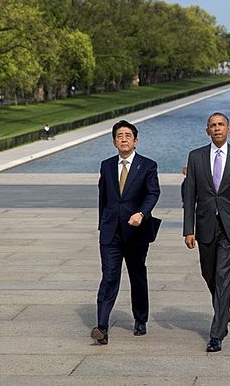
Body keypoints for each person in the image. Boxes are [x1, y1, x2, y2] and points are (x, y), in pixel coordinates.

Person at [182, 112, 230, 352]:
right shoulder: (195, 157)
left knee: (224, 277)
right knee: (209, 273)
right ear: (207, 131)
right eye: (212, 126)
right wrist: (188, 229)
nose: (217, 129)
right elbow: (190, 195)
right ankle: (224, 311)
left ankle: (216, 334)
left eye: (221, 125)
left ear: (229, 129)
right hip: (205, 225)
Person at [91, 120, 161, 346]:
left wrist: (141, 213)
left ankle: (140, 319)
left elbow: (153, 193)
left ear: (135, 141)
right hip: (110, 233)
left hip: (136, 231)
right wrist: (103, 223)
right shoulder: (106, 165)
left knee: (137, 276)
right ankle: (102, 326)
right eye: (119, 136)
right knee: (109, 277)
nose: (123, 139)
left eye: (127, 135)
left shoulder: (147, 165)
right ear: (114, 142)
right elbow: (104, 198)